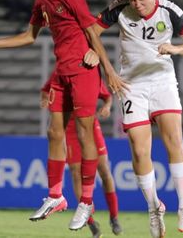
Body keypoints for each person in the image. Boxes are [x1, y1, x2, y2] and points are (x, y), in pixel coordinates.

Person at [0, 0, 105, 231]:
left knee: (84, 134)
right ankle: (56, 196)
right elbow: (30, 36)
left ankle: (86, 201)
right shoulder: (41, 0)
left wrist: (108, 70)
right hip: (62, 73)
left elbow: (92, 30)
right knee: (54, 132)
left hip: (83, 71)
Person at [85, 0, 183, 238]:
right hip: (130, 85)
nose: (137, 4)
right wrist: (96, 55)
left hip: (162, 81)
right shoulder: (120, 8)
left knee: (174, 139)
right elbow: (91, 30)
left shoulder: (170, 11)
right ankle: (153, 207)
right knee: (139, 150)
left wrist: (175, 48)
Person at [40, 73, 122, 237]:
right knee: (76, 174)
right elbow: (45, 90)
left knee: (104, 171)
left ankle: (114, 217)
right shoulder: (59, 74)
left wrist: (106, 106)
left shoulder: (87, 74)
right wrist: (45, 99)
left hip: (89, 126)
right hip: (70, 131)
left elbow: (106, 96)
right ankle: (90, 221)